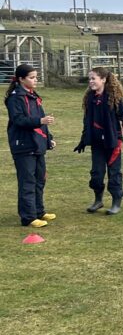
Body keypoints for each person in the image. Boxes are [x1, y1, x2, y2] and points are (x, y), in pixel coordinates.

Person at [74, 67, 123, 215]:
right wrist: (83, 140)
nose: (90, 82)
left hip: (112, 142)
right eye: (89, 79)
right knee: (96, 174)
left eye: (93, 78)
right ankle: (98, 200)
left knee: (114, 174)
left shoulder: (113, 98)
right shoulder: (90, 99)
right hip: (96, 143)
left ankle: (116, 202)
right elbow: (87, 121)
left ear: (103, 79)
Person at [5, 63, 56, 228]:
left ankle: (39, 211)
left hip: (37, 144)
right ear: (21, 79)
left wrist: (49, 139)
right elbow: (18, 120)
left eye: (36, 77)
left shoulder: (34, 96)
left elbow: (42, 120)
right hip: (23, 145)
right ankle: (28, 217)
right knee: (27, 181)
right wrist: (40, 121)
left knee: (40, 179)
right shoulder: (15, 98)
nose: (35, 80)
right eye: (32, 78)